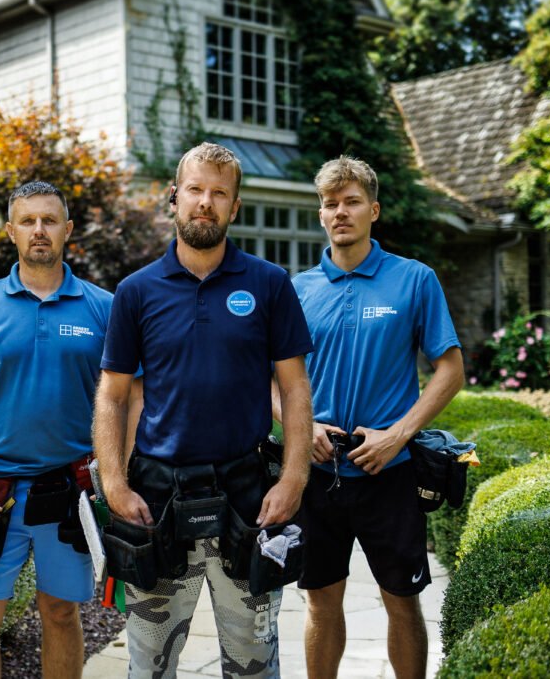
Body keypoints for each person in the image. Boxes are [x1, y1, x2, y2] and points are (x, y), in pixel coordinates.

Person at [92, 142, 315, 678]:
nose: (205, 203)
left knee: (255, 666)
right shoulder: (136, 291)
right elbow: (112, 394)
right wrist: (116, 485)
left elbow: (294, 389)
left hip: (247, 500)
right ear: (174, 197)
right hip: (157, 503)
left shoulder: (269, 284)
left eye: (220, 193)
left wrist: (294, 479)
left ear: (234, 208)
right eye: (195, 190)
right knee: (148, 666)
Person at [275, 156, 464, 679]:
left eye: (351, 201)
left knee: (402, 602)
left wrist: (399, 435)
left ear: (373, 210)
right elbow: (270, 379)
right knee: (320, 604)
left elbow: (450, 369)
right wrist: (302, 427)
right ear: (320, 215)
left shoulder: (414, 280)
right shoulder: (296, 290)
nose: (341, 212)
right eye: (331, 204)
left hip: (391, 472)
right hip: (317, 474)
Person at [0, 181, 128, 679]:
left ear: (68, 229)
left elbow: (129, 399)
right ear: (10, 231)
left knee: (61, 614)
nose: (38, 230)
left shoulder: (103, 308)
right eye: (27, 220)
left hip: (68, 491)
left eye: (48, 219)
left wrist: (116, 476)